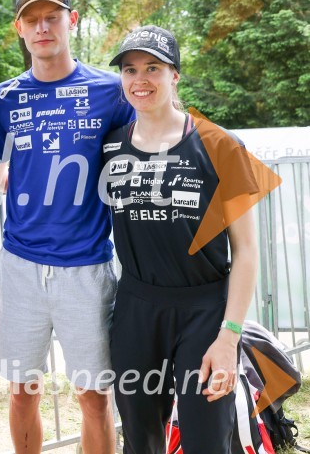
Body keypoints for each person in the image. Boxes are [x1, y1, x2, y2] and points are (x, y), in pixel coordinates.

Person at [0, 0, 134, 454]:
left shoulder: (112, 92)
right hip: (21, 263)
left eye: (52, 17)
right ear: (20, 29)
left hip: (85, 265)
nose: (43, 27)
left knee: (92, 395)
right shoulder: (3, 98)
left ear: (72, 20)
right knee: (22, 390)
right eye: (32, 19)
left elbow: (140, 158)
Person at [103, 25, 259, 453]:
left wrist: (229, 337)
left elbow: (246, 251)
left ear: (175, 75)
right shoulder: (110, 148)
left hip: (205, 311)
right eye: (130, 69)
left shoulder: (220, 144)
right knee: (140, 440)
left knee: (208, 439)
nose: (141, 79)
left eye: (153, 67)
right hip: (137, 309)